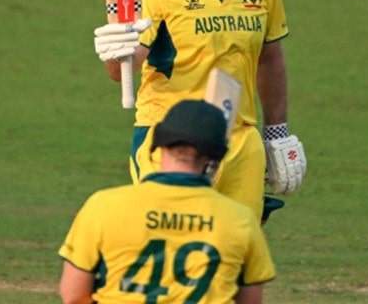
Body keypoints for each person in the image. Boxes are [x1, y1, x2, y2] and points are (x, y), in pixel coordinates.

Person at [93, 0, 306, 221]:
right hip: (170, 138)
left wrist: (276, 131)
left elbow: (270, 61)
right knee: (174, 237)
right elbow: (121, 73)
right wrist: (116, 51)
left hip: (239, 138)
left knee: (238, 242)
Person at [58, 100, 276, 304]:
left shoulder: (103, 206)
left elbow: (73, 295)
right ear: (216, 159)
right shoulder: (240, 220)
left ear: (157, 145)